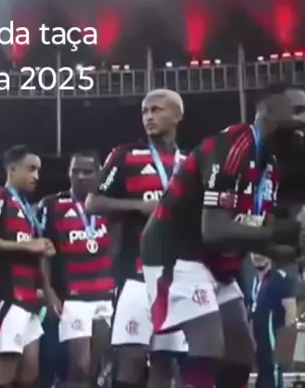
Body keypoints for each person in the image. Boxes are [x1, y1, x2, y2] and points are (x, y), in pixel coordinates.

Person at [140, 83, 305, 388]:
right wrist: (291, 231)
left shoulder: (269, 162)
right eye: (298, 111)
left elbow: (253, 227)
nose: (304, 119)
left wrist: (292, 249)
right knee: (208, 348)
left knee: (241, 355)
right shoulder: (230, 148)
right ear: (268, 112)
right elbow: (214, 229)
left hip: (214, 261)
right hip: (175, 252)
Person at [85, 89, 187, 388]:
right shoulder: (124, 155)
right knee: (130, 360)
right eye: (145, 111)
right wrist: (139, 206)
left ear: (177, 115)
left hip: (177, 276)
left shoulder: (188, 162)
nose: (149, 117)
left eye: (157, 110)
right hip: (135, 273)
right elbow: (93, 202)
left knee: (165, 364)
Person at [0, 145, 55, 388]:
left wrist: (47, 287)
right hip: (7, 295)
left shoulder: (27, 208)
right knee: (4, 374)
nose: (36, 176)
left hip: (29, 299)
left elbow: (31, 250)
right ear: (11, 169)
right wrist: (27, 246)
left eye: (38, 170)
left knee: (30, 374)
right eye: (30, 169)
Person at [40, 151, 114, 388]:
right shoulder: (53, 205)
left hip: (105, 295)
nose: (80, 176)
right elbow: (44, 252)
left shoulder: (109, 205)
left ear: (99, 174)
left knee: (95, 367)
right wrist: (48, 291)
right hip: (72, 298)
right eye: (75, 171)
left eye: (87, 171)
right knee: (80, 365)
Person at [249, 253, 297, 388]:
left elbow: (290, 309)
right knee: (263, 371)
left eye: (261, 252)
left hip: (273, 337)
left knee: (272, 371)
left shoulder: (280, 278)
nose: (258, 256)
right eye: (254, 253)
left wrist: (285, 340)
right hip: (258, 339)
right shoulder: (252, 279)